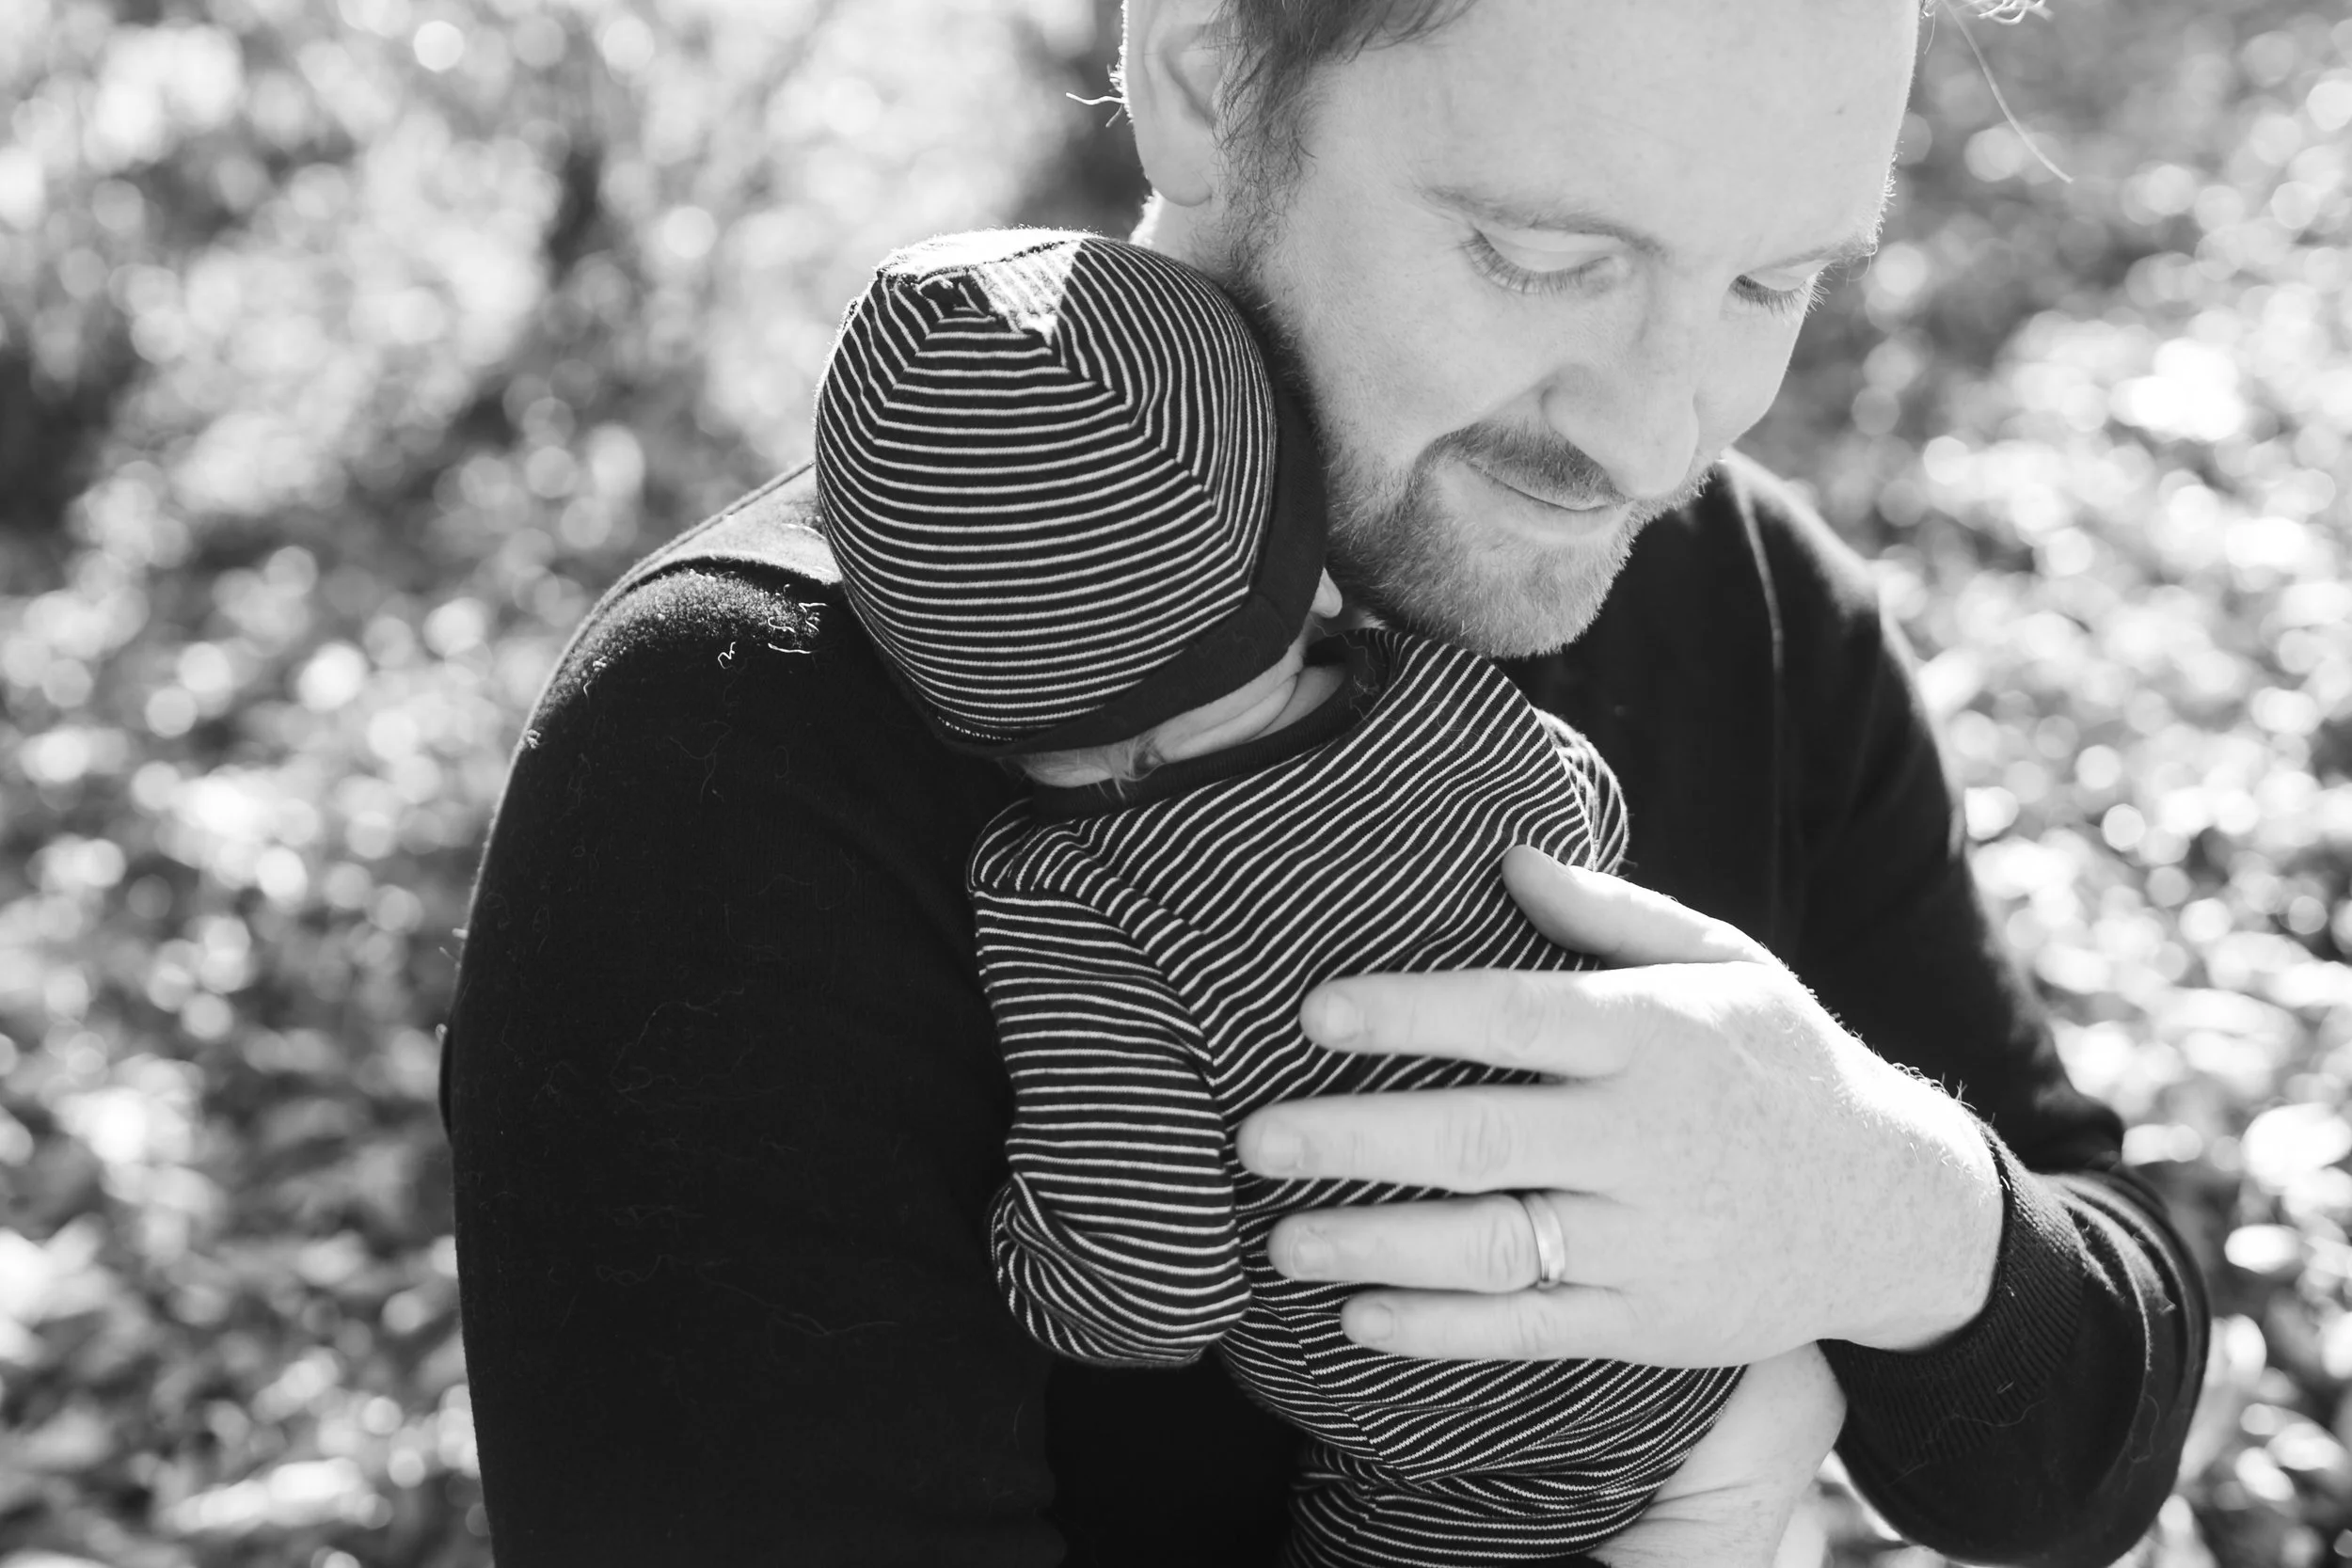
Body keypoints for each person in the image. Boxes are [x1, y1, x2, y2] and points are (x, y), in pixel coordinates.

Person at [440, 0, 2209, 1563]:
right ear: (1207, 77)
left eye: (1775, 281)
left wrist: (1879, 1210)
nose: (1662, 431)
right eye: (1541, 252)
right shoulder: (722, 758)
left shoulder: (1745, 591)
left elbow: (2089, 1434)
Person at [812, 225, 1781, 1564]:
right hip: (1723, 1344)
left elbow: (1151, 1285)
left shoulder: (1073, 892)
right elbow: (1588, 830)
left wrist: (1020, 1248)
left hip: (1472, 1478)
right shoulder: (1446, 689)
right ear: (1308, 540)